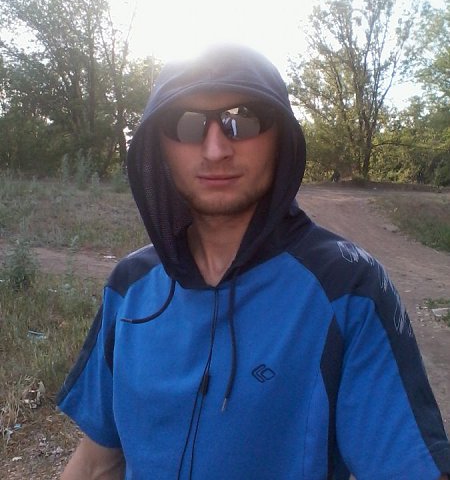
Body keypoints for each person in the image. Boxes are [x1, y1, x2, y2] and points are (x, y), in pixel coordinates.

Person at [58, 44, 450, 479]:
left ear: (281, 136)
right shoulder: (131, 287)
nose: (215, 149)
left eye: (242, 118)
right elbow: (98, 462)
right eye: (186, 123)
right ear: (159, 147)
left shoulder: (346, 286)